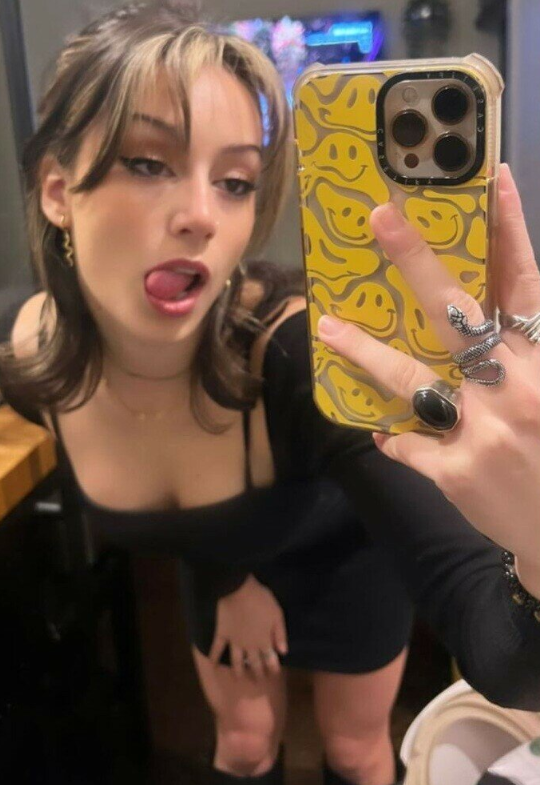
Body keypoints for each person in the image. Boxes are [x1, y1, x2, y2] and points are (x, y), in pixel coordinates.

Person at [0, 3, 539, 785]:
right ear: (57, 191)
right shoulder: (27, 354)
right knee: (245, 743)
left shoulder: (291, 356)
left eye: (235, 181)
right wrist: (226, 578)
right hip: (220, 553)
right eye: (147, 163)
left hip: (346, 552)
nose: (201, 217)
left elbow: (504, 655)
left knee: (355, 749)